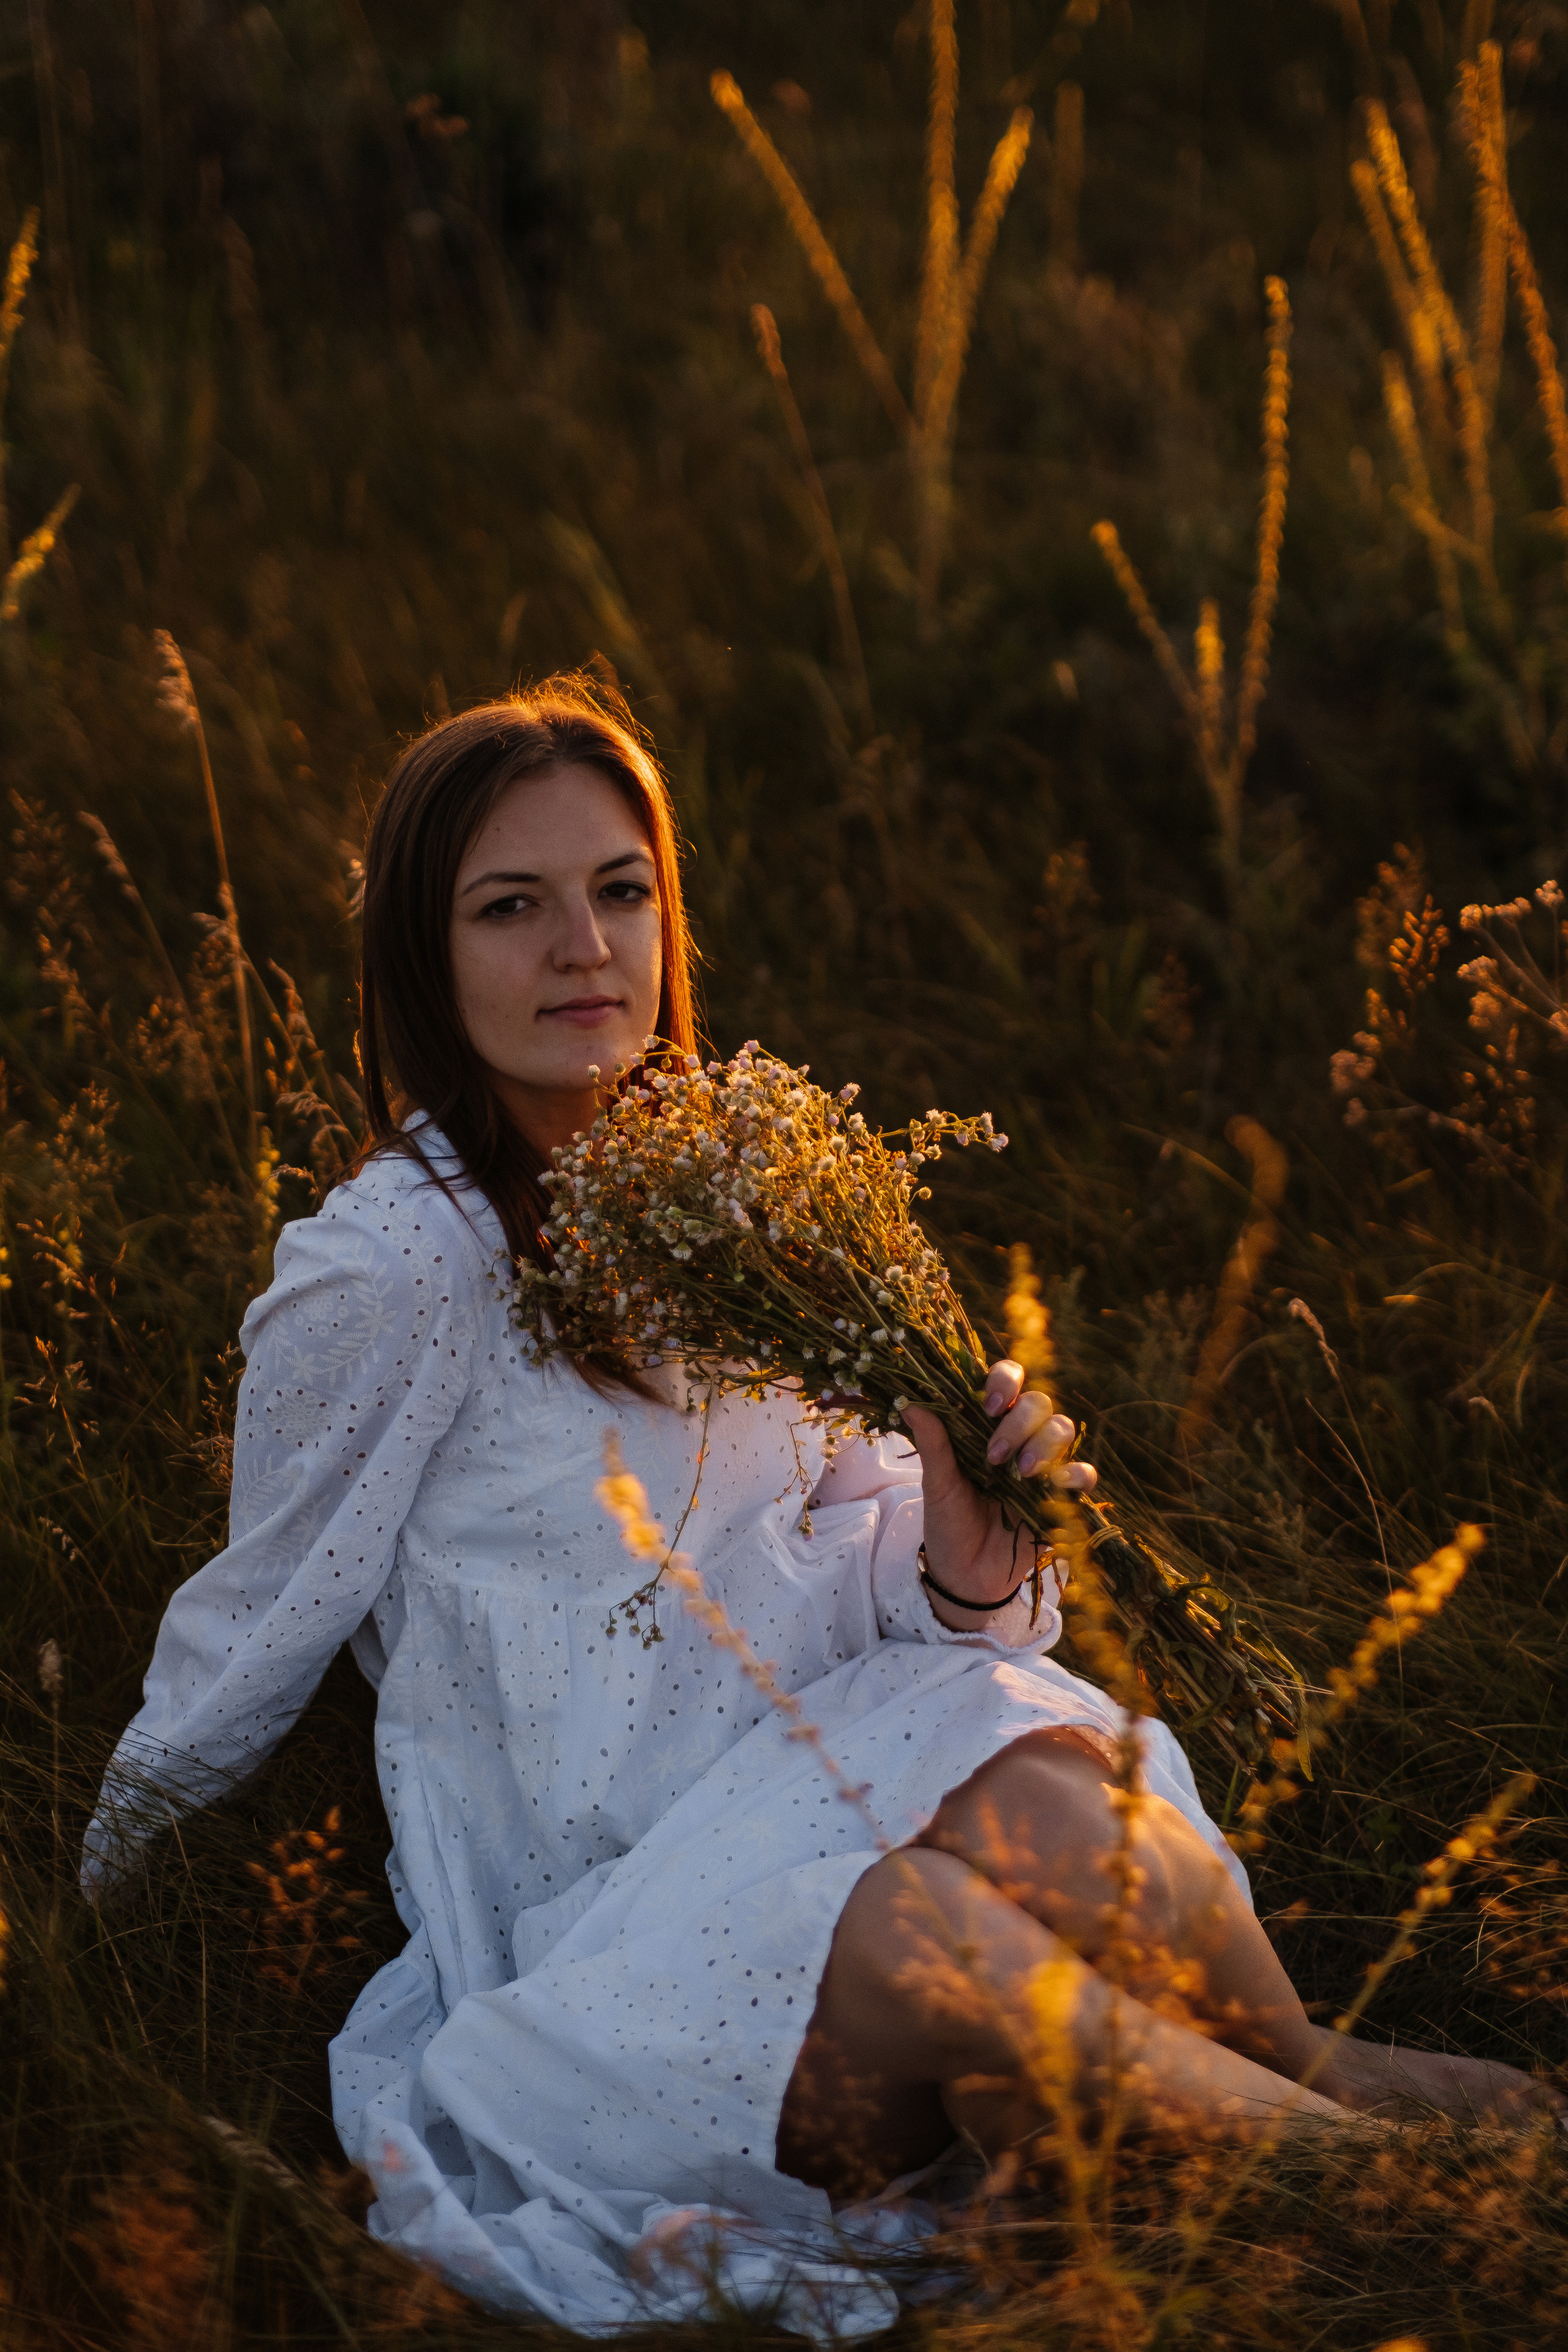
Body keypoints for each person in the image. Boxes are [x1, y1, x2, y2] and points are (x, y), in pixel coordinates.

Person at [83, 677, 1559, 2335]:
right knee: (930, 1918)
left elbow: (874, 1614)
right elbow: (254, 1624)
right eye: (513, 907)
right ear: (426, 959)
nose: (586, 946)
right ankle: (1407, 2211)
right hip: (619, 1949)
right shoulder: (392, 1269)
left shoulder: (744, 1195)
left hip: (832, 1797)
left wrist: (969, 1563)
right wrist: (94, 1921)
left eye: (620, 890)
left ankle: (1280, 2083)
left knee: (1048, 1772)